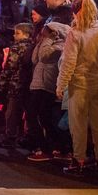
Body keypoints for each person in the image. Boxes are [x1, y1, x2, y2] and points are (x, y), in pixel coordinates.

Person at [56, 0, 98, 175]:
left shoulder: (76, 33)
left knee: (78, 124)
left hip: (79, 84)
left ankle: (79, 160)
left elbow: (68, 62)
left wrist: (61, 85)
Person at [26, 22, 69, 162]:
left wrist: (48, 39)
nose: (43, 34)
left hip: (47, 85)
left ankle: (51, 148)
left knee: (37, 115)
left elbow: (44, 56)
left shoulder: (60, 46)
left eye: (46, 31)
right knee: (41, 117)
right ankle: (55, 148)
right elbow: (34, 58)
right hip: (39, 84)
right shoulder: (47, 43)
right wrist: (42, 41)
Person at [0, 23, 34, 149]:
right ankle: (26, 135)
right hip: (29, 84)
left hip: (16, 83)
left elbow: (10, 67)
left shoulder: (17, 47)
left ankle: (10, 136)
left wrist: (0, 83)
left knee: (12, 111)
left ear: (26, 34)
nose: (14, 35)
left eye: (18, 33)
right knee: (26, 112)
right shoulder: (33, 46)